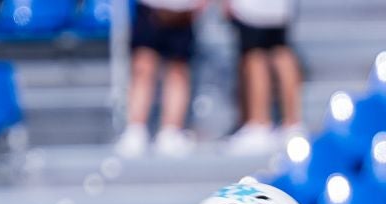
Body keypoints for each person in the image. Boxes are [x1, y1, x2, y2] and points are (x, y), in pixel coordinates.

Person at [119, 0, 206, 157]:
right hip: (150, 8)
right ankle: (135, 129)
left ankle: (171, 131)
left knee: (178, 70)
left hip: (183, 10)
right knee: (143, 67)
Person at [224, 0, 303, 153]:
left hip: (253, 8)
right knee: (281, 51)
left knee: (255, 56)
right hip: (279, 7)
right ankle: (292, 123)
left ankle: (259, 123)